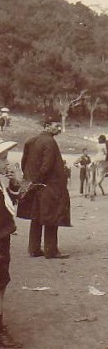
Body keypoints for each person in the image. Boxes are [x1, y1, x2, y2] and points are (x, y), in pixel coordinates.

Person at [17, 116, 71, 259]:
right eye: (56, 126)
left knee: (36, 217)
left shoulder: (31, 140)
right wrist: (40, 180)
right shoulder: (50, 142)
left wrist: (32, 181)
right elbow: (47, 166)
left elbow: (24, 163)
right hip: (49, 186)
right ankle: (51, 250)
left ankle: (33, 249)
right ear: (47, 126)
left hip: (34, 186)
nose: (59, 129)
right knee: (52, 217)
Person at [0, 140, 22, 348]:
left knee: (2, 281)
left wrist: (14, 183)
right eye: (3, 158)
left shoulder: (1, 183)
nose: (6, 163)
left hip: (3, 236)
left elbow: (11, 203)